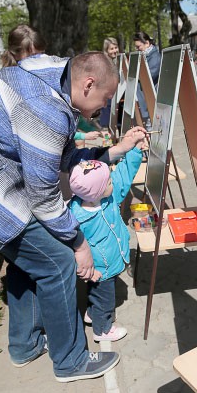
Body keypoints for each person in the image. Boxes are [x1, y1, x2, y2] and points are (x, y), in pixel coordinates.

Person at [0, 47, 149, 382]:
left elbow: (62, 155)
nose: (106, 106)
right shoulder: (45, 110)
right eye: (107, 96)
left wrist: (112, 152)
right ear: (87, 84)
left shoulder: (54, 72)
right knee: (57, 260)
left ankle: (25, 345)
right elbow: (43, 198)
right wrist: (78, 243)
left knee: (32, 258)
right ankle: (71, 362)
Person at [68, 132, 148, 342]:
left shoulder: (101, 198)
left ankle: (92, 314)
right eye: (108, 182)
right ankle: (102, 330)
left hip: (105, 264)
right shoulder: (78, 217)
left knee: (96, 294)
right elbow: (72, 246)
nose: (112, 182)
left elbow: (122, 176)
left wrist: (135, 151)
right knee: (105, 299)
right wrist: (86, 270)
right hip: (100, 268)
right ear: (97, 191)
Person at [133, 32, 161, 129]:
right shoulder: (145, 56)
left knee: (149, 128)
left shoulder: (155, 57)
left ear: (147, 43)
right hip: (144, 100)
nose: (137, 49)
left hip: (149, 101)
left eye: (138, 46)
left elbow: (148, 78)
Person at [99, 37, 120, 129]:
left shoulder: (117, 61)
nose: (115, 50)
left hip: (115, 99)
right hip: (107, 100)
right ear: (106, 50)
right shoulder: (104, 63)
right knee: (107, 127)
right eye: (111, 49)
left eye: (116, 47)